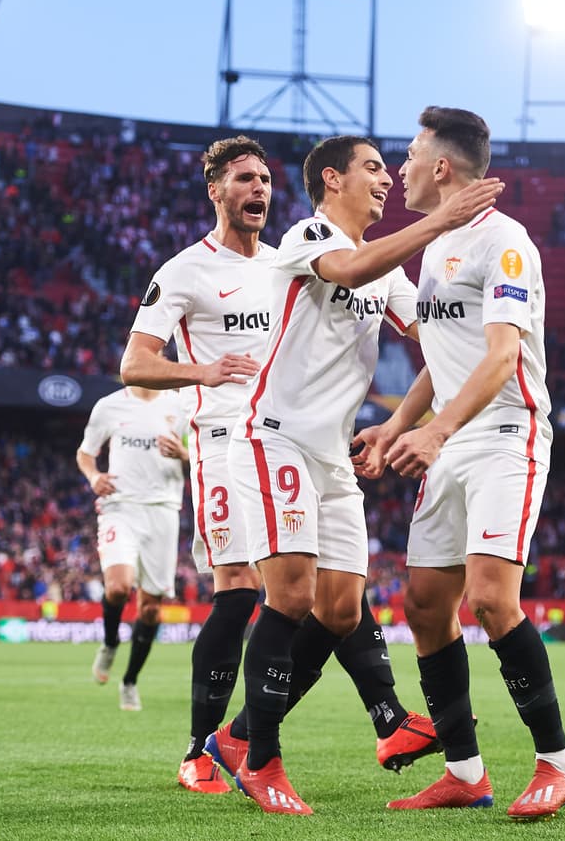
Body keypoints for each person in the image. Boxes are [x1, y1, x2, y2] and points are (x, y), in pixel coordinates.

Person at [122, 135, 445, 797]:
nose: (259, 189)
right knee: (248, 588)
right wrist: (205, 371)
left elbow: (424, 326)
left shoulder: (291, 259)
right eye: (245, 178)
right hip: (237, 435)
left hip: (321, 445)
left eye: (265, 179)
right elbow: (134, 364)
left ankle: (329, 724)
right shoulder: (210, 264)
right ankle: (211, 750)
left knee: (337, 600)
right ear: (216, 189)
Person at [211, 134, 503, 814]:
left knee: (341, 608)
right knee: (290, 594)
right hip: (275, 439)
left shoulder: (390, 275)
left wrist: (497, 330)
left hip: (333, 456)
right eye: (372, 167)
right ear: (332, 178)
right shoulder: (307, 236)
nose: (385, 179)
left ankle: (238, 736)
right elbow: (347, 269)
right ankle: (263, 762)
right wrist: (440, 220)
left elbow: (441, 341)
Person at [354, 107, 565, 820]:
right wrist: (398, 424)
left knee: (489, 599)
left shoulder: (504, 241)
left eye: (410, 155)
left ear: (442, 167)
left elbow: (502, 357)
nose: (401, 169)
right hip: (450, 440)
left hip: (505, 433)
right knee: (425, 605)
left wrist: (437, 431)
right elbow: (443, 358)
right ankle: (464, 772)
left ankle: (557, 766)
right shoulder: (436, 246)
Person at [77, 385, 189, 712]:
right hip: (120, 506)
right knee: (118, 587)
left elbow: (204, 453)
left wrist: (184, 455)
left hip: (163, 510)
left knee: (151, 609)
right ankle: (110, 642)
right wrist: (93, 476)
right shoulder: (109, 405)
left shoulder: (182, 405)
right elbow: (85, 453)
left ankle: (129, 681)